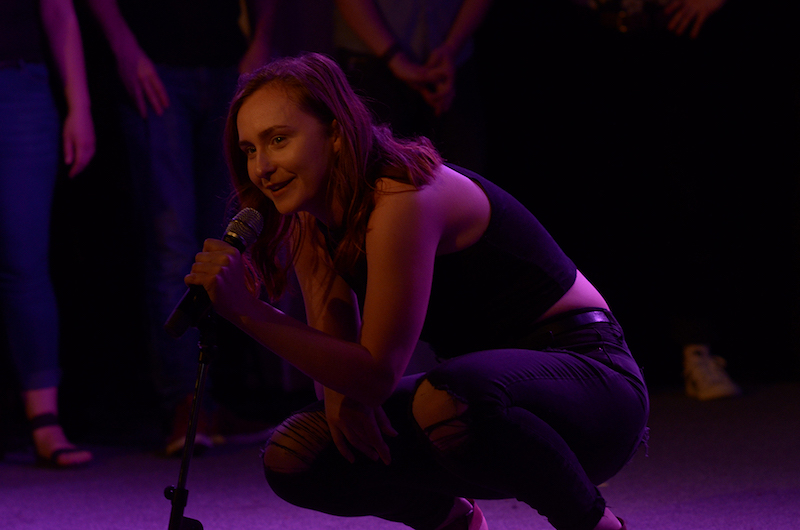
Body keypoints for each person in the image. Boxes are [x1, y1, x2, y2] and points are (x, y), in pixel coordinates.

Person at [185, 53, 649, 530]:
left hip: (592, 390)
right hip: (480, 407)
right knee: (297, 454)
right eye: (248, 150)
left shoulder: (400, 198)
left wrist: (248, 312)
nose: (261, 166)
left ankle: (596, 525)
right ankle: (453, 522)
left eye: (278, 140)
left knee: (442, 399)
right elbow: (338, 360)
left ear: (337, 132)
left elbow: (375, 375)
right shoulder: (310, 215)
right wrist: (341, 404)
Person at [83, 0, 277, 455]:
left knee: (226, 239)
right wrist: (125, 48)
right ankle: (187, 403)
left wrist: (261, 41)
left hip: (227, 61)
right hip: (156, 65)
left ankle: (216, 398)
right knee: (173, 242)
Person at [0, 0, 95, 467]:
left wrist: (79, 106)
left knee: (24, 261)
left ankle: (44, 420)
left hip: (19, 86)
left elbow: (59, 11)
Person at [333, 0, 491, 173]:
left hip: (453, 64)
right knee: (379, 174)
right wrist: (395, 58)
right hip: (370, 64)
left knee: (465, 174)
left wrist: (452, 48)